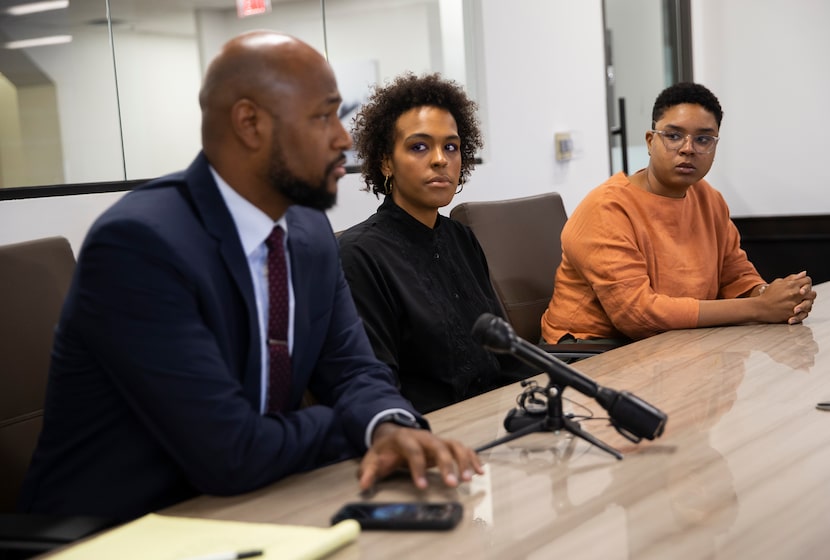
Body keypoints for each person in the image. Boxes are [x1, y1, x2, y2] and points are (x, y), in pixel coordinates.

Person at [19, 32, 483, 521]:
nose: (343, 139)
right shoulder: (139, 245)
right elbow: (229, 449)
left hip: (260, 501)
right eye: (323, 116)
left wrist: (388, 426)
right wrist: (357, 428)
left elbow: (353, 371)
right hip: (120, 529)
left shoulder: (307, 231)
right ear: (250, 123)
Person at [541, 82, 816, 343]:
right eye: (673, 136)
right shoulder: (607, 208)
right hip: (591, 353)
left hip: (676, 342)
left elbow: (735, 277)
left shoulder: (709, 199)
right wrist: (759, 308)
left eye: (703, 139)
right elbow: (638, 315)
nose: (688, 148)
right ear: (650, 142)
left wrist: (776, 298)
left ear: (714, 147)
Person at [338, 73, 531, 414]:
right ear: (386, 162)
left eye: (451, 146)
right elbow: (379, 387)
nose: (441, 159)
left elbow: (506, 354)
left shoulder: (461, 237)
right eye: (419, 147)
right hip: (435, 435)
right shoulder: (360, 255)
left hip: (500, 416)